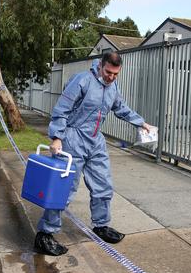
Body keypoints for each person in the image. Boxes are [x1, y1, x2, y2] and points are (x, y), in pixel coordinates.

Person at [34, 52, 154, 256]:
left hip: (95, 141)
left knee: (103, 186)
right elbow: (62, 109)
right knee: (63, 189)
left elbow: (121, 108)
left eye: (116, 74)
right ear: (101, 66)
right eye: (108, 72)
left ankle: (101, 226)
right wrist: (56, 137)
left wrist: (141, 123)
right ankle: (45, 234)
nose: (111, 77)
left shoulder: (112, 87)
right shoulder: (82, 80)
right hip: (73, 139)